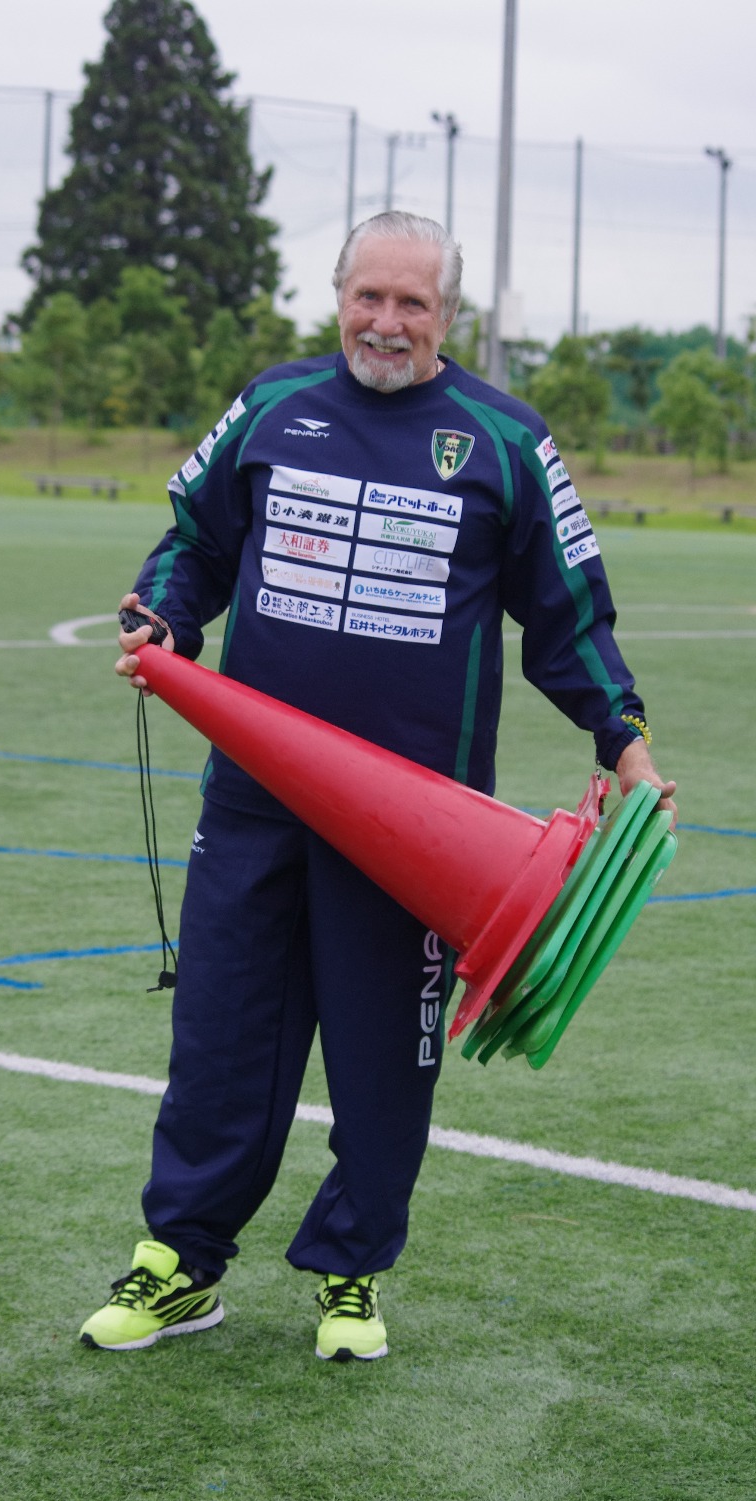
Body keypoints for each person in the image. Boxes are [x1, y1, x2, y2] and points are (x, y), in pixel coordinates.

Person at [80, 211, 676, 1363]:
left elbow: (569, 612)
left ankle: (349, 1271)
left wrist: (623, 736)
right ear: (337, 295)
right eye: (369, 297)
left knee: (381, 1053)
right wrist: (165, 613)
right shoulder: (271, 406)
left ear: (448, 316)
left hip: (421, 829)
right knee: (220, 1037)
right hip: (254, 802)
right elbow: (194, 542)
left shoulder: (505, 440)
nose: (386, 324)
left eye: (413, 304)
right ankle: (181, 1264)